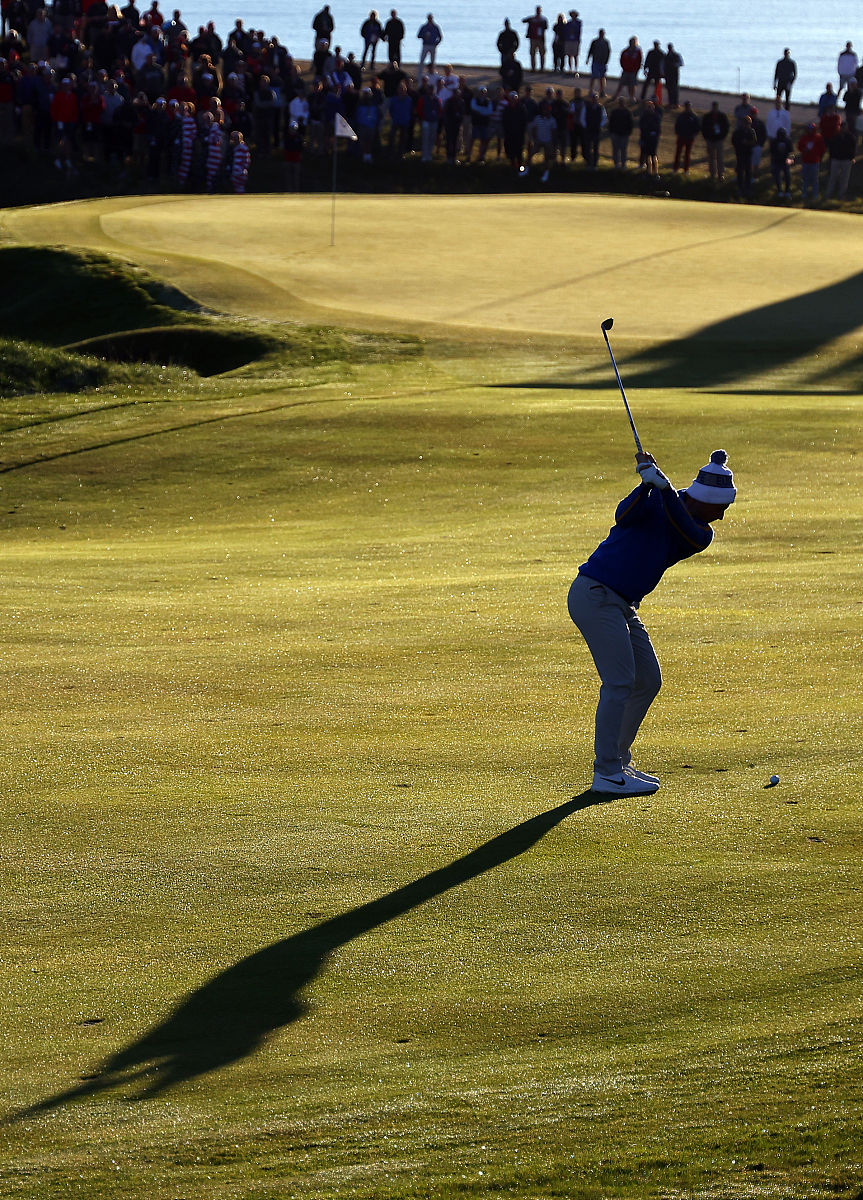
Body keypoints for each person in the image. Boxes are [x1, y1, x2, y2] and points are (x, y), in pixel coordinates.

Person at [568, 450, 737, 796]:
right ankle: (607, 773)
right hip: (595, 594)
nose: (720, 518)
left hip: (622, 604)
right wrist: (645, 485)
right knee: (619, 682)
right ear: (705, 500)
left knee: (647, 679)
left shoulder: (700, 532)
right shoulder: (661, 500)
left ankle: (618, 760)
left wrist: (663, 488)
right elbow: (622, 516)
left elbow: (682, 526)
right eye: (720, 508)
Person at [824, 120, 856, 199]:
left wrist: (852, 157)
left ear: (847, 128)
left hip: (846, 160)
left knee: (844, 178)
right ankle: (829, 194)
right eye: (842, 127)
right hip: (836, 159)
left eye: (844, 127)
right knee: (833, 177)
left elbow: (853, 148)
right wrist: (831, 158)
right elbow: (831, 148)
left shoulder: (851, 137)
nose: (843, 128)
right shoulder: (836, 137)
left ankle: (841, 195)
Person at [701, 99, 729, 181]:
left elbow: (726, 127)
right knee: (711, 157)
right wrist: (706, 137)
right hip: (710, 139)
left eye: (716, 107)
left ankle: (721, 174)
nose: (714, 108)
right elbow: (703, 128)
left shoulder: (722, 116)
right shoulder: (707, 116)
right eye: (713, 107)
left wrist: (723, 136)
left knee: (720, 157)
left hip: (719, 139)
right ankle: (712, 174)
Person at [797, 122, 825, 202]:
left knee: (814, 179)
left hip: (815, 161)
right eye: (809, 129)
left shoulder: (818, 138)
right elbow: (799, 146)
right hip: (806, 161)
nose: (810, 130)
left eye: (811, 129)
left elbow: (822, 149)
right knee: (805, 178)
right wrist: (804, 150)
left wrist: (816, 153)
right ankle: (804, 193)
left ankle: (815, 194)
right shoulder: (804, 138)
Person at [731, 113, 757, 196]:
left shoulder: (751, 132)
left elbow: (754, 142)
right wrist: (740, 144)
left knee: (748, 172)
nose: (746, 125)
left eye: (748, 123)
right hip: (740, 154)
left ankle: (748, 189)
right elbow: (734, 141)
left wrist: (747, 143)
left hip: (748, 154)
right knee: (740, 171)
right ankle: (740, 188)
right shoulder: (738, 131)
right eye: (745, 123)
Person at [673, 99, 699, 172]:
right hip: (681, 137)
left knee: (687, 154)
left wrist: (694, 135)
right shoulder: (681, 116)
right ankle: (675, 168)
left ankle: (686, 169)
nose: (688, 108)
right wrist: (678, 133)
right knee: (678, 153)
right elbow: (677, 125)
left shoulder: (694, 116)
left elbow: (697, 127)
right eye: (686, 106)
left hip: (689, 138)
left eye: (689, 106)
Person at [769, 124, 793, 198]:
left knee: (787, 176)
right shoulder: (774, 141)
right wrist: (772, 162)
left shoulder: (787, 141)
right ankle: (779, 190)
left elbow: (791, 152)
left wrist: (790, 160)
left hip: (785, 161)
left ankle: (787, 191)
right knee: (777, 177)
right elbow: (772, 152)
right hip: (777, 161)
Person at [614, 35, 641, 100]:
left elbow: (639, 61)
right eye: (631, 42)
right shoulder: (625, 51)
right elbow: (621, 59)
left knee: (632, 85)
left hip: (633, 71)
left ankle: (632, 97)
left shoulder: (638, 51)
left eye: (634, 42)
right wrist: (623, 67)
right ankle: (615, 96)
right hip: (626, 70)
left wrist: (636, 69)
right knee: (621, 83)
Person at [522, 6, 548, 72]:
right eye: (537, 10)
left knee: (542, 54)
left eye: (539, 10)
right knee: (532, 54)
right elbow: (523, 21)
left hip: (541, 39)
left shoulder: (543, 19)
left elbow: (546, 27)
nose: (538, 11)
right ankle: (533, 68)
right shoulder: (532, 19)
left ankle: (542, 68)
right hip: (533, 38)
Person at [586, 28, 610, 96]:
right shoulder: (595, 42)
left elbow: (608, 52)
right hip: (595, 61)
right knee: (594, 76)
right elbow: (590, 50)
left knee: (602, 77)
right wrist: (588, 59)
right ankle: (591, 90)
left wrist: (607, 60)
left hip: (603, 62)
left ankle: (602, 91)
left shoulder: (606, 42)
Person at [663, 43, 682, 108]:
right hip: (667, 74)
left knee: (675, 89)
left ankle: (676, 103)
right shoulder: (666, 56)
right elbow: (662, 65)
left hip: (674, 74)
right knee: (669, 88)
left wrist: (674, 65)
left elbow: (681, 63)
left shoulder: (676, 55)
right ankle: (670, 103)